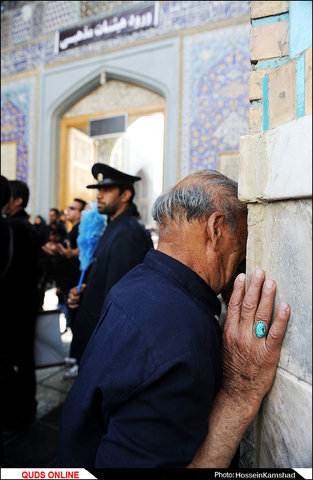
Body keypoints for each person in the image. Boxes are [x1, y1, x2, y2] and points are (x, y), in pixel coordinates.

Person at [57, 170, 289, 468]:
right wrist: (240, 393)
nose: (245, 253)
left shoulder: (136, 283)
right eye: (244, 236)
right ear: (216, 228)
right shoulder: (180, 332)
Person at [67, 163, 154, 369]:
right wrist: (82, 292)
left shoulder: (127, 233)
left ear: (125, 195)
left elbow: (120, 297)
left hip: (107, 342)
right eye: (99, 190)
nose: (99, 195)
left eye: (106, 190)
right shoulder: (114, 227)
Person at [1, 179, 41, 431]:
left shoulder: (12, 228)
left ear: (16, 200)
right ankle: (28, 407)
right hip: (27, 303)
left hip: (11, 306)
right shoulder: (29, 227)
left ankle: (15, 413)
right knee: (25, 357)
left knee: (10, 360)